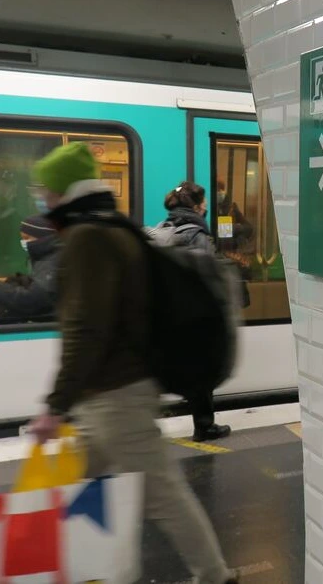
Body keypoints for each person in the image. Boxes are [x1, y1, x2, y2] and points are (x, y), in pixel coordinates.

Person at [26, 143, 237, 584]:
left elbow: (86, 330)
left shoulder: (88, 238)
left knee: (162, 494)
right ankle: (88, 573)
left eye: (47, 191)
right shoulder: (112, 227)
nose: (43, 200)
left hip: (115, 396)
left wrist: (55, 405)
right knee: (79, 493)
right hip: (106, 396)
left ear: (65, 191)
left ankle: (215, 576)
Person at [154, 182, 232, 442]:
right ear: (197, 207)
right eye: (205, 203)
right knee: (202, 372)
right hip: (194, 316)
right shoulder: (197, 233)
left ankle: (149, 421)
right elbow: (207, 277)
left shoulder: (163, 228)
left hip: (168, 314)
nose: (207, 206)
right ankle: (204, 426)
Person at [0, 215, 59, 322]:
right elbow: (38, 283)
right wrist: (9, 280)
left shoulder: (53, 262)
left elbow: (30, 300)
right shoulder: (47, 256)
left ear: (43, 238)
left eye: (27, 238)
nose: (24, 242)